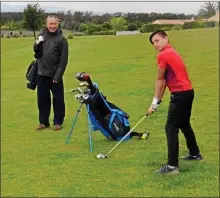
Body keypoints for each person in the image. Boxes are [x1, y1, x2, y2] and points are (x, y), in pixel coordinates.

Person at [147, 30, 202, 175]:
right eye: (153, 43)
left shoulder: (163, 54)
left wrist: (154, 102)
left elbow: (160, 80)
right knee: (184, 123)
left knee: (170, 127)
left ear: (166, 38)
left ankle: (172, 167)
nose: (155, 44)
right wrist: (157, 101)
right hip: (188, 92)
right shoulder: (171, 51)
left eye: (157, 40)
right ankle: (195, 153)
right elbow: (164, 80)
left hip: (180, 94)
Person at [33, 15, 68, 131]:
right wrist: (37, 43)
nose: (52, 26)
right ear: (47, 24)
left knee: (58, 99)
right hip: (41, 73)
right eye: (50, 24)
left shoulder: (62, 40)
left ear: (58, 24)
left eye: (54, 24)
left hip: (55, 75)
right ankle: (43, 122)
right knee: (42, 99)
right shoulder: (41, 36)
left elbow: (63, 60)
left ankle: (58, 122)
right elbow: (36, 50)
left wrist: (58, 76)